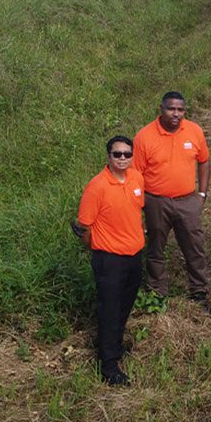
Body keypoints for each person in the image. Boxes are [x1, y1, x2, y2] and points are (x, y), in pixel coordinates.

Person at [75, 136, 145, 386]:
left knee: (125, 305)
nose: (123, 158)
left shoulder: (136, 178)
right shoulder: (97, 186)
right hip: (109, 259)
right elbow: (84, 226)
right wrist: (98, 249)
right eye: (117, 154)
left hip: (134, 256)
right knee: (110, 309)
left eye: (127, 154)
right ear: (108, 156)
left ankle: (114, 345)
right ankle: (109, 366)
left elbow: (136, 211)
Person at [132, 91, 210, 306]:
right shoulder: (144, 136)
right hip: (156, 201)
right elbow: (135, 175)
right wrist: (139, 206)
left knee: (194, 246)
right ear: (161, 109)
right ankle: (157, 292)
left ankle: (199, 291)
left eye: (180, 110)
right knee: (156, 248)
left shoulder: (194, 131)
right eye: (171, 109)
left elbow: (204, 161)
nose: (176, 114)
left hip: (188, 201)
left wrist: (202, 194)